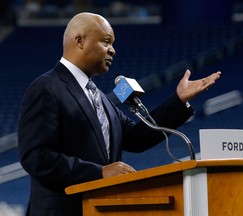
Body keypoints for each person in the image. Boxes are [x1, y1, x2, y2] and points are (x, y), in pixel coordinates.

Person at [17, 12, 221, 216]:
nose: (113, 50)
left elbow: (136, 138)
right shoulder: (46, 88)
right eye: (106, 42)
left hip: (101, 210)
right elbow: (36, 157)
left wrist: (179, 100)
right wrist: (99, 173)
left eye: (113, 44)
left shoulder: (100, 98)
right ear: (79, 41)